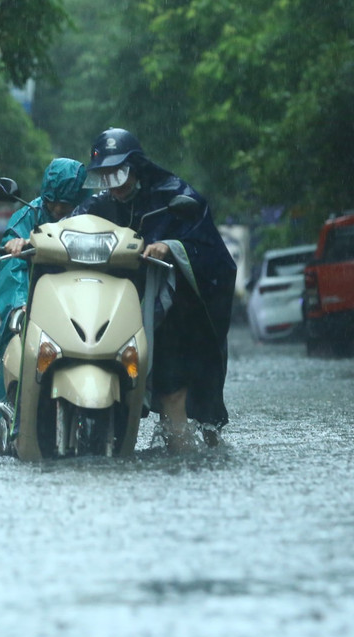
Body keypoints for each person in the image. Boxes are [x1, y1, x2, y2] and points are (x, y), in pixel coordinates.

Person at [71, 128, 235, 449]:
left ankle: (187, 454)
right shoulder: (98, 205)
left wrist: (170, 247)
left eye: (119, 174)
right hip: (114, 308)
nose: (114, 185)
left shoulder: (173, 195)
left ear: (136, 168)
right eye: (105, 176)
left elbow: (211, 253)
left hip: (175, 315)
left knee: (172, 388)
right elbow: (67, 229)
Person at [0, 157, 90, 410]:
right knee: (16, 350)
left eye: (65, 206)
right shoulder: (26, 217)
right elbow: (10, 267)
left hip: (82, 304)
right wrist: (19, 305)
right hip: (35, 307)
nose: (57, 210)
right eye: (52, 203)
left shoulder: (92, 216)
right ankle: (11, 415)